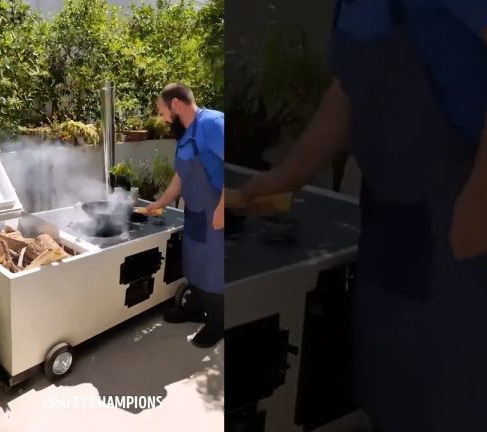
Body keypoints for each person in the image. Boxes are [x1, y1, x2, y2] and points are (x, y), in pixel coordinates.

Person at [237, 0, 487, 430]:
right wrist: (286, 175)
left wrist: (482, 198)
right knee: (389, 387)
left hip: (463, 229)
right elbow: (347, 93)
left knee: (454, 397)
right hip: (391, 225)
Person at [146, 83, 225, 348]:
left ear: (176, 105)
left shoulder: (213, 124)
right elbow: (181, 176)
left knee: (213, 272)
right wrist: (159, 203)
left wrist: (223, 209)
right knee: (193, 264)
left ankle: (217, 325)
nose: (163, 118)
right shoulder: (184, 135)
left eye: (163, 112)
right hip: (194, 212)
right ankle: (195, 309)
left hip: (215, 212)